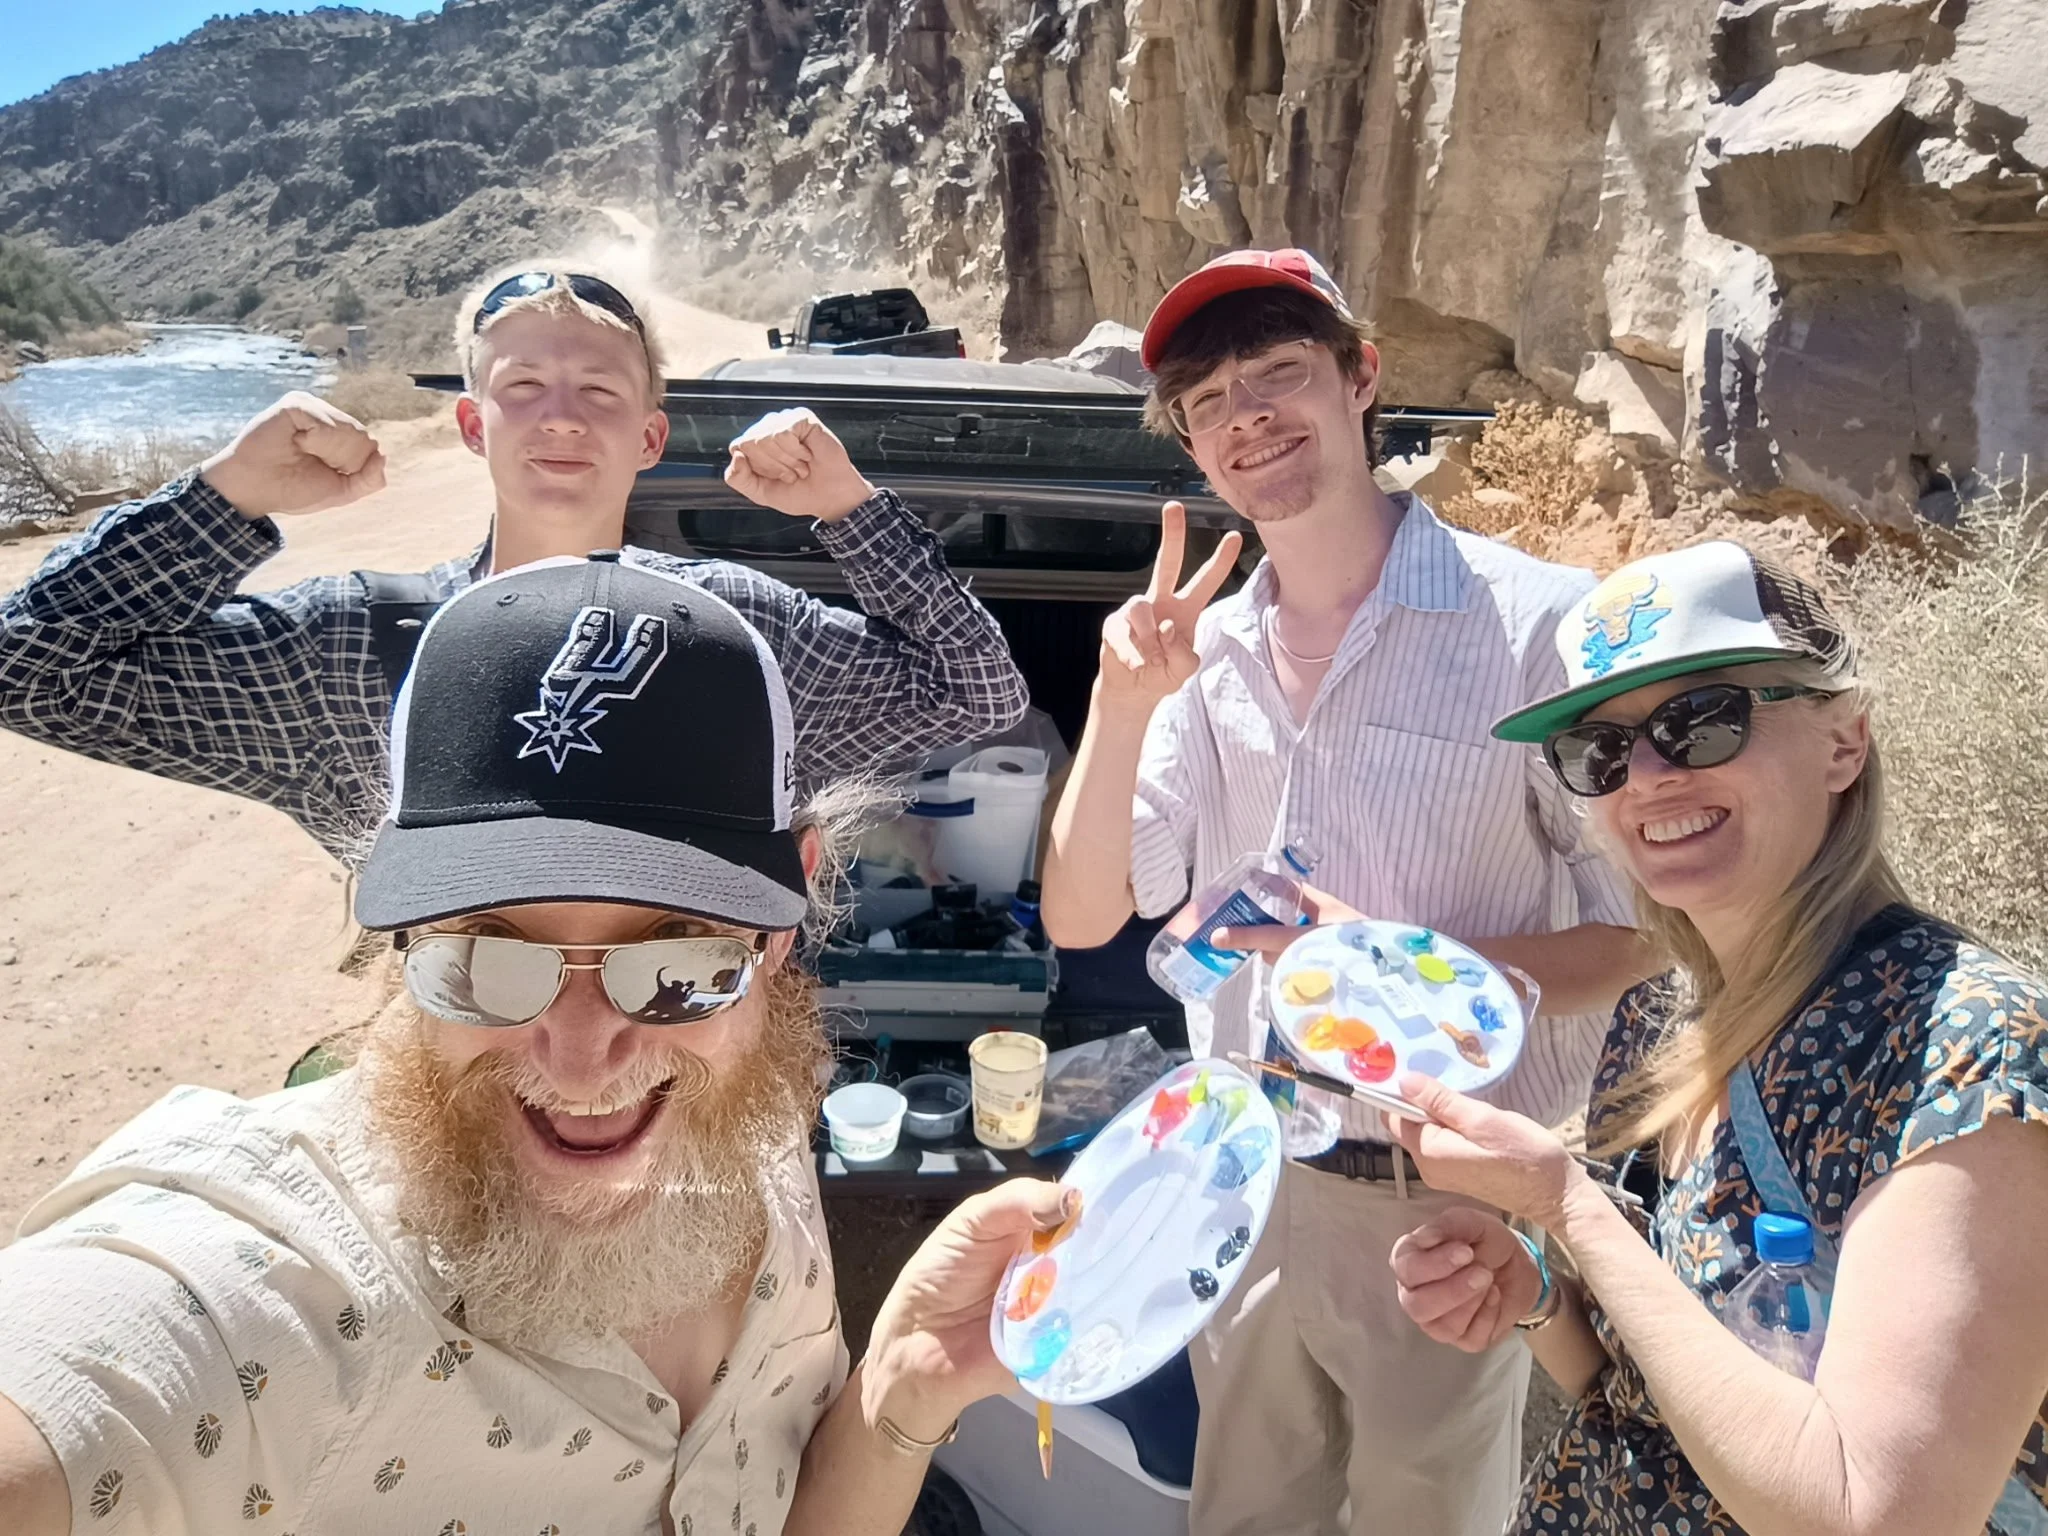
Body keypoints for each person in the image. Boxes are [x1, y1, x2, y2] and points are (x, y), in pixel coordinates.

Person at [0, 554, 1071, 1535]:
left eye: (675, 962)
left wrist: (893, 1393)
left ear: (788, 914)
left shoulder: (739, 1107)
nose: (580, 1063)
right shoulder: (271, 1290)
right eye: (483, 956)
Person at [1041, 246, 1654, 1536]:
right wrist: (1116, 703)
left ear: (1360, 377)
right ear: (1194, 452)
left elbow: (1638, 936)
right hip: (1241, 1172)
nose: (1243, 417)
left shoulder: (1540, 627)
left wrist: (1379, 968)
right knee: (1242, 1514)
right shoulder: (1199, 662)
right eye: (1205, 403)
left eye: (1277, 372)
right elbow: (1083, 916)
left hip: (1444, 1199)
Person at [1386, 541, 2048, 1535]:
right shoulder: (1666, 1022)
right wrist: (1535, 1301)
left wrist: (1570, 1210)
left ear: (1841, 742)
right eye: (1597, 751)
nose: (1644, 775)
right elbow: (1642, 1399)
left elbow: (1871, 1513)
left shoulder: (1967, 1048)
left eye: (1698, 721)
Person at [0, 262, 1025, 864]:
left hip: (697, 1072)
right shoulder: (350, 648)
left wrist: (850, 510)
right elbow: (31, 668)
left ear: (650, 438)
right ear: (469, 425)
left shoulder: (742, 633)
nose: (562, 417)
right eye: (523, 384)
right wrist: (221, 497)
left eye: (599, 392)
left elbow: (976, 692)